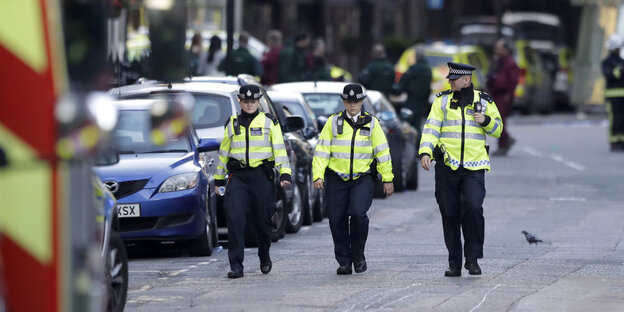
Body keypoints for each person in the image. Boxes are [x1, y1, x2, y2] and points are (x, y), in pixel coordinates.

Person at [419, 62, 503, 277]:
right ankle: (454, 263)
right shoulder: (442, 101)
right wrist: (425, 152)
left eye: (455, 79)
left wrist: (485, 120)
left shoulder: (483, 101)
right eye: (450, 79)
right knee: (449, 214)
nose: (451, 81)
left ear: (467, 79)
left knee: (473, 207)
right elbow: (431, 128)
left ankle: (472, 259)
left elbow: (498, 130)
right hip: (447, 165)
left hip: (474, 166)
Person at [312, 83, 394, 275]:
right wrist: (318, 175)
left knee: (358, 214)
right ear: (343, 101)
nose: (353, 105)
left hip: (361, 178)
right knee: (336, 219)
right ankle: (344, 261)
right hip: (336, 178)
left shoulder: (372, 123)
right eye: (349, 101)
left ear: (362, 101)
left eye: (356, 101)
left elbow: (382, 151)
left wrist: (387, 178)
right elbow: (322, 150)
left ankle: (358, 255)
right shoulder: (333, 122)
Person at [214, 85, 292, 279]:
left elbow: (279, 149)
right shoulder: (232, 123)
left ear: (258, 102)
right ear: (240, 102)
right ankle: (236, 265)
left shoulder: (269, 122)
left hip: (261, 177)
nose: (249, 105)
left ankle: (264, 256)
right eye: (246, 102)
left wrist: (285, 174)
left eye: (253, 102)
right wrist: (218, 179)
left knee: (264, 221)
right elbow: (224, 153)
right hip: (238, 178)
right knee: (234, 218)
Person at [486, 39, 519, 156]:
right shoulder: (498, 61)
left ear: (506, 49)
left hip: (503, 94)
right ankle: (506, 139)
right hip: (495, 93)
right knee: (496, 118)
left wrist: (508, 94)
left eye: (499, 48)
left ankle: (504, 143)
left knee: (499, 120)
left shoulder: (510, 63)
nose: (497, 51)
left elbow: (513, 81)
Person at [395, 46, 432, 132]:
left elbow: (404, 81)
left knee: (407, 122)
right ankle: (418, 141)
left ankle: (411, 142)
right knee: (418, 122)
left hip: (412, 99)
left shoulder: (414, 68)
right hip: (423, 101)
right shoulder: (428, 69)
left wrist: (397, 91)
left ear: (416, 56)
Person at [602, 34, 624, 152]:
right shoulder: (607, 62)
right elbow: (609, 75)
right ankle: (614, 141)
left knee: (622, 119)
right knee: (614, 119)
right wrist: (619, 72)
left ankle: (622, 140)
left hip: (623, 95)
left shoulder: (621, 61)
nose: (619, 50)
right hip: (612, 95)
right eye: (617, 48)